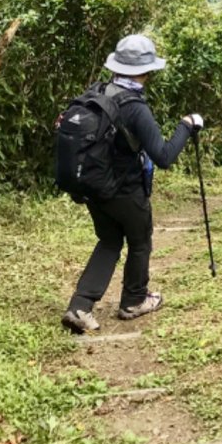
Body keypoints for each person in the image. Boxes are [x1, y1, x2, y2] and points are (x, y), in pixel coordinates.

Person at [61, 34, 203, 334]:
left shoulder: (99, 91)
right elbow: (163, 156)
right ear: (147, 71)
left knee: (110, 241)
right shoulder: (135, 107)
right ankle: (134, 301)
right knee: (140, 241)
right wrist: (186, 126)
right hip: (126, 190)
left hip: (95, 187)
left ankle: (80, 306)